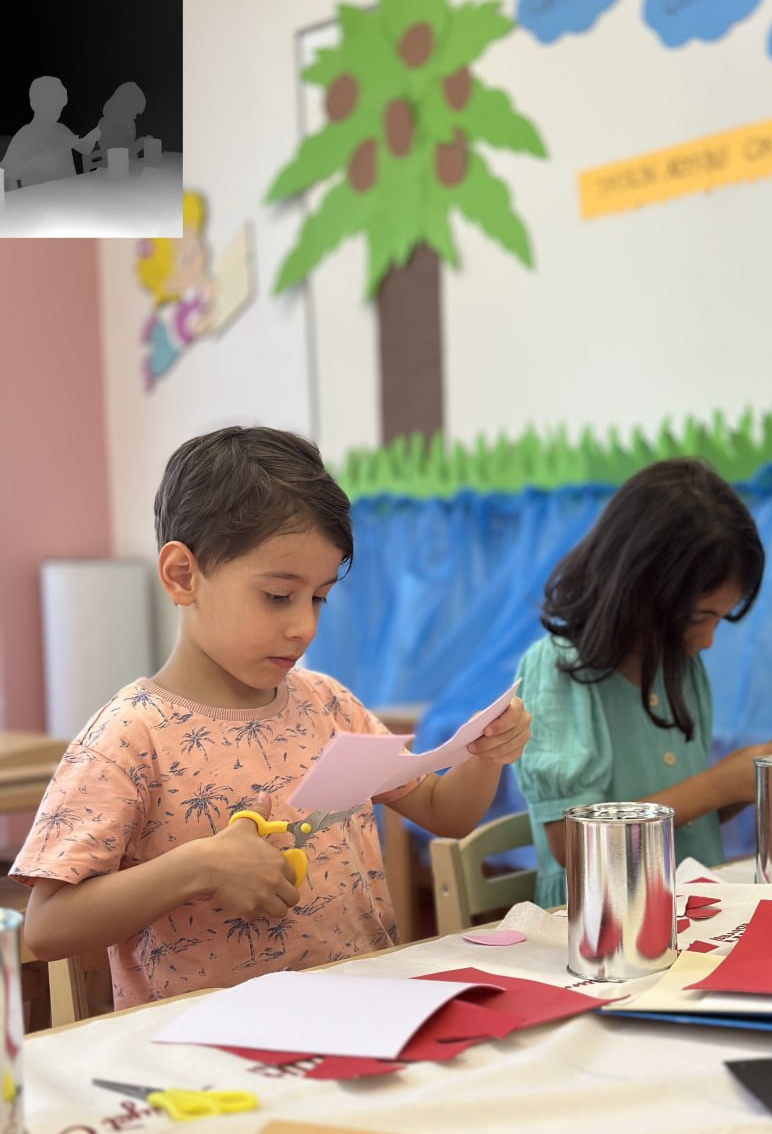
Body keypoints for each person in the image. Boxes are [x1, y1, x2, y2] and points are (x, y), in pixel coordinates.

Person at [13, 426, 531, 1007]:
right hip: (205, 1046)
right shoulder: (129, 736)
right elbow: (48, 926)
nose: (304, 627)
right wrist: (198, 867)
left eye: (319, 598)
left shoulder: (328, 704)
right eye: (278, 596)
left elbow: (446, 813)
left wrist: (485, 756)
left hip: (361, 1015)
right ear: (182, 575)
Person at [513, 457, 772, 907]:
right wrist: (720, 783)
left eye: (720, 619)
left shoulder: (678, 668)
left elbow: (684, 819)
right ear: (638, 587)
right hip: (598, 924)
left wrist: (749, 779)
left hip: (691, 909)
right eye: (699, 617)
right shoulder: (557, 670)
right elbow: (572, 844)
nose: (707, 641)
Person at [136, 192, 216, 389]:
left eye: (196, 245)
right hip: (172, 337)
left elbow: (207, 291)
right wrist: (208, 319)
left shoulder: (195, 290)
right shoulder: (182, 311)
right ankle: (150, 365)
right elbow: (196, 326)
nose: (198, 256)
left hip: (172, 327)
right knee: (158, 358)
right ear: (170, 284)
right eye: (187, 259)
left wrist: (209, 285)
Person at [1, 76, 99, 188]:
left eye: (59, 105)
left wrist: (95, 134)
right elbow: (6, 171)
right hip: (42, 195)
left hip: (70, 191)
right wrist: (35, 162)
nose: (58, 110)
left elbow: (86, 149)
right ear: (36, 104)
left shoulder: (60, 129)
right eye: (53, 105)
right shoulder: (26, 135)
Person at [92, 81, 151, 163]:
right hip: (112, 167)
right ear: (125, 105)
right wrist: (140, 143)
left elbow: (128, 149)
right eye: (134, 111)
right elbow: (115, 154)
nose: (135, 116)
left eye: (137, 113)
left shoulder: (130, 123)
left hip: (129, 165)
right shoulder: (107, 123)